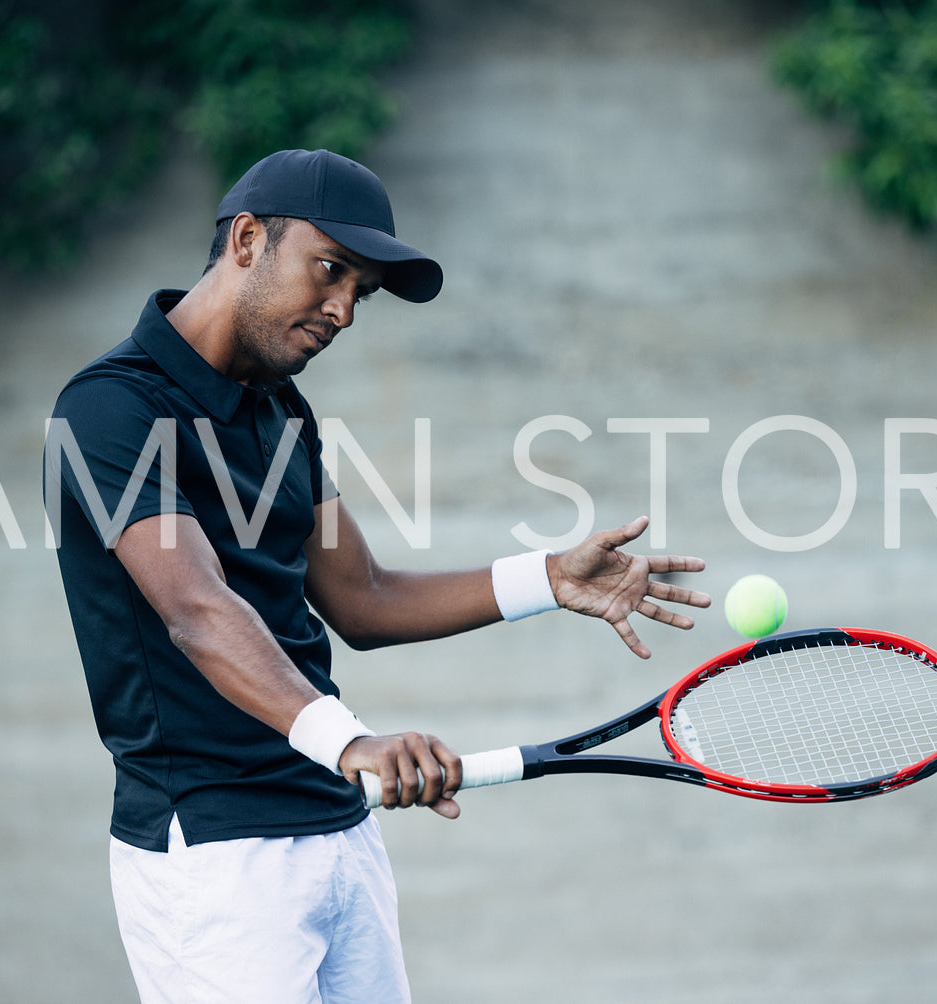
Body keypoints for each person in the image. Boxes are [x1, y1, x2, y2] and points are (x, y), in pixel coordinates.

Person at [46, 148, 709, 1003]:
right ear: (247, 240)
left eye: (360, 291)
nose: (344, 311)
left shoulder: (280, 411)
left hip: (338, 830)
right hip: (213, 856)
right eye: (331, 272)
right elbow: (198, 610)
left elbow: (362, 597)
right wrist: (351, 742)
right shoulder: (110, 408)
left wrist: (548, 578)